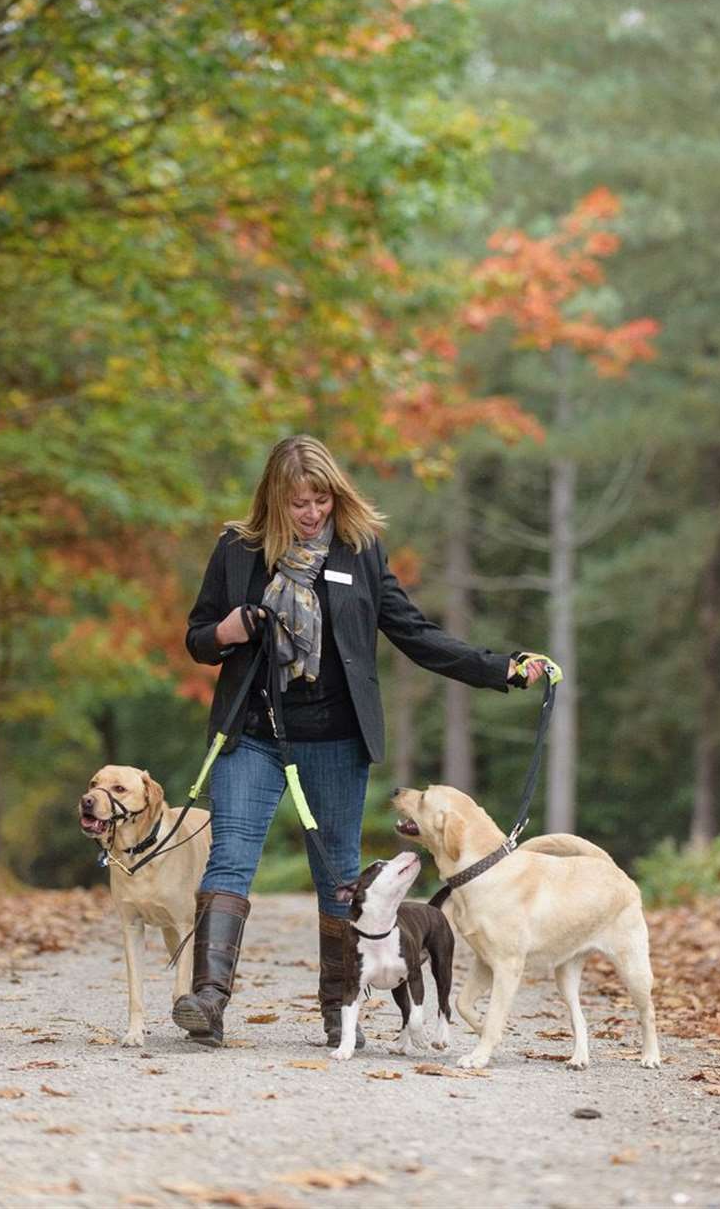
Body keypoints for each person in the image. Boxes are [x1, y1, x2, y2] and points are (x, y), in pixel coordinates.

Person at [172, 435, 547, 1048]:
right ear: (273, 500)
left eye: (320, 498)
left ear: (334, 495)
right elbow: (197, 638)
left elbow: (414, 633)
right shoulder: (237, 552)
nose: (311, 512)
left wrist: (498, 667)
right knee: (231, 857)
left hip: (335, 739)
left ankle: (336, 1011)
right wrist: (230, 629)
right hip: (254, 733)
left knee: (339, 875)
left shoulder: (359, 552)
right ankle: (207, 1002)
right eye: (297, 502)